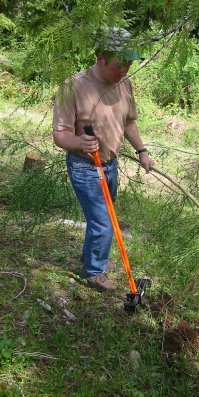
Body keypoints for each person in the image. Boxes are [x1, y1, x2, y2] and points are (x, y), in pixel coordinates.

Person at [52, 27, 154, 292]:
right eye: (120, 66)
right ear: (100, 58)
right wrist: (79, 141)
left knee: (105, 216)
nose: (125, 71)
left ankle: (93, 259)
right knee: (103, 222)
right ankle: (94, 272)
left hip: (110, 163)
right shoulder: (74, 85)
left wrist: (142, 151)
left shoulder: (124, 83)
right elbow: (60, 134)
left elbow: (129, 123)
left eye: (129, 65)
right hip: (85, 166)